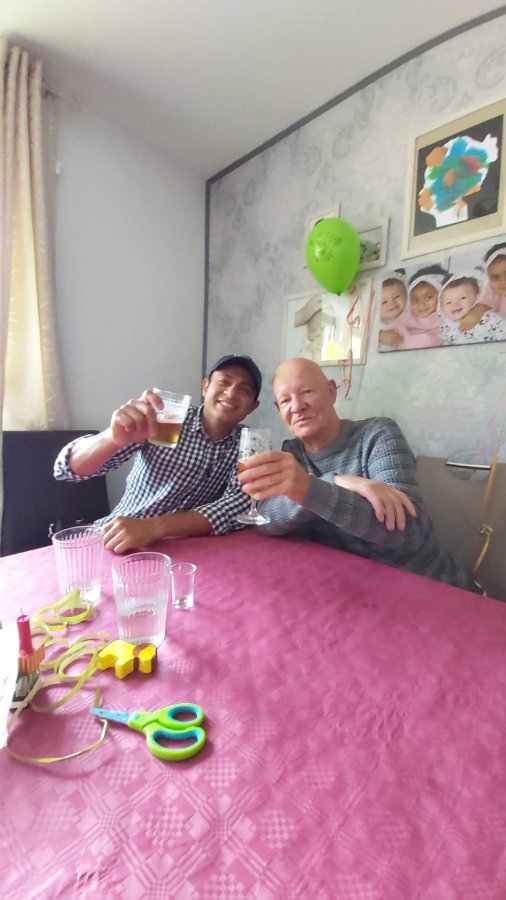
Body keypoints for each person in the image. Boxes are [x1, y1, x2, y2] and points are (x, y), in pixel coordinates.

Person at [237, 358, 463, 586]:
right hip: (350, 583)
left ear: (331, 392)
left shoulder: (377, 434)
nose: (296, 406)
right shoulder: (293, 453)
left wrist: (310, 488)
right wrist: (336, 481)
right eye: (285, 400)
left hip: (421, 583)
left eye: (306, 392)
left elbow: (407, 532)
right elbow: (265, 521)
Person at [54, 354, 262, 553]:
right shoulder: (168, 417)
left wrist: (155, 527)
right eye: (224, 382)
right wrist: (111, 438)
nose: (232, 393)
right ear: (205, 387)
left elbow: (238, 505)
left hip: (183, 549)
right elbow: (67, 470)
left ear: (253, 406)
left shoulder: (248, 443)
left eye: (244, 389)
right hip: (115, 537)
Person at [439, 273, 506, 345]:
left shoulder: (490, 319)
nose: (455, 304)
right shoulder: (446, 326)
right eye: (448, 302)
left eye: (462, 298)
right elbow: (445, 347)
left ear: (476, 298)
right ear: (442, 308)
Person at [482, 243, 506, 318]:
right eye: (495, 278)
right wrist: (478, 309)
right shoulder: (493, 293)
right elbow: (487, 302)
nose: (503, 282)